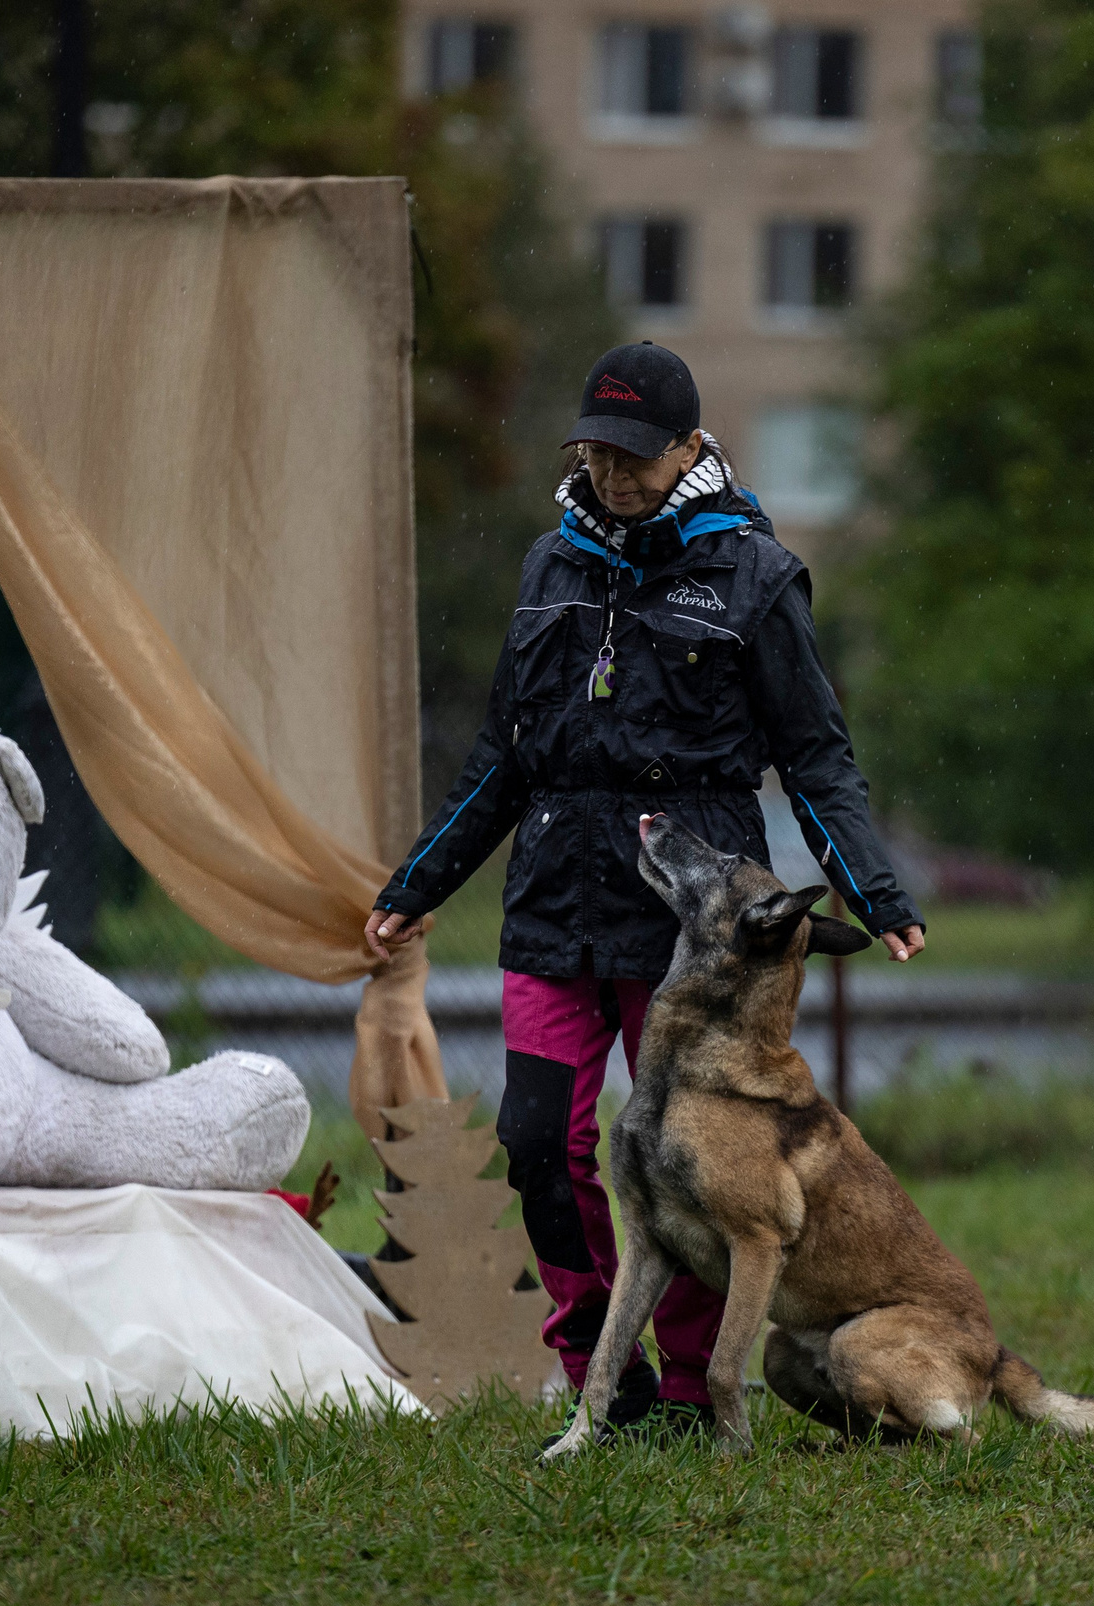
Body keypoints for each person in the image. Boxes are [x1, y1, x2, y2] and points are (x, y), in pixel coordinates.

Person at [367, 342, 926, 1439]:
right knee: (537, 1142)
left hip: (692, 927)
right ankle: (598, 1370)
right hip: (550, 904)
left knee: (698, 1166)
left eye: (635, 456)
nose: (613, 476)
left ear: (689, 448)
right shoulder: (549, 566)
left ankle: (684, 1390)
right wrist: (420, 880)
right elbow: (501, 757)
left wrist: (873, 887)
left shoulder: (758, 577)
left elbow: (814, 755)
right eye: (596, 454)